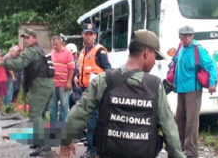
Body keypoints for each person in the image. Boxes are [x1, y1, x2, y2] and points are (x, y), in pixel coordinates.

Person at [59, 29, 185, 158]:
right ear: (146, 54)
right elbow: (170, 131)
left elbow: (78, 114)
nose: (155, 62)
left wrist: (66, 141)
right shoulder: (155, 86)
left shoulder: (104, 80)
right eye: (155, 57)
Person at [0, 28, 54, 157]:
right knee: (40, 114)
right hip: (47, 84)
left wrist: (0, 63)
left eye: (28, 37)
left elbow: (18, 64)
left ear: (34, 38)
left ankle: (44, 144)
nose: (25, 40)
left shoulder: (31, 51)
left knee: (35, 115)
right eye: (24, 38)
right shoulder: (39, 50)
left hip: (40, 85)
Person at [173, 25, 218, 158]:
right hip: (180, 90)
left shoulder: (198, 50)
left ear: (193, 36)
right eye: (184, 35)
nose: (187, 38)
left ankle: (191, 153)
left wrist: (212, 82)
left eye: (189, 35)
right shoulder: (180, 48)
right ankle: (180, 149)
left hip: (193, 90)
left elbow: (212, 65)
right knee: (180, 120)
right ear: (179, 36)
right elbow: (175, 66)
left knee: (191, 123)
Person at [75, 23, 111, 158]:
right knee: (89, 118)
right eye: (86, 33)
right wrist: (76, 77)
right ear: (83, 35)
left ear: (95, 35)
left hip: (96, 90)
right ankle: (93, 147)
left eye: (91, 34)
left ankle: (93, 150)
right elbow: (80, 68)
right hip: (84, 89)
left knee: (93, 120)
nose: (88, 36)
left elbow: (108, 70)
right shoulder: (83, 51)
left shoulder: (99, 51)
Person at [49, 36, 75, 123]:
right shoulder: (52, 52)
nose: (54, 46)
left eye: (56, 44)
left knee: (64, 106)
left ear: (61, 43)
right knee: (52, 107)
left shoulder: (68, 53)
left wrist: (69, 82)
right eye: (53, 45)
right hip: (53, 84)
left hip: (63, 85)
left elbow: (71, 68)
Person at [66, 43, 82, 109]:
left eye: (75, 54)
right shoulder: (68, 64)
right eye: (73, 54)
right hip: (72, 92)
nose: (75, 55)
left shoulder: (79, 63)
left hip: (78, 91)